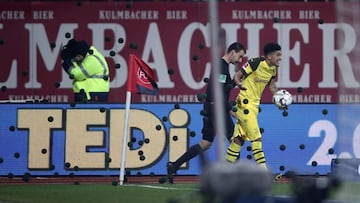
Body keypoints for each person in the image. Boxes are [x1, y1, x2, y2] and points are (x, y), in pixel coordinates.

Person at [166, 42, 247, 183]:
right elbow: (217, 92)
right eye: (240, 56)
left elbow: (223, 87)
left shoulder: (222, 67)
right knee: (236, 139)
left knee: (205, 143)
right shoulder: (220, 67)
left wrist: (237, 82)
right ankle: (237, 178)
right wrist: (228, 108)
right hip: (217, 108)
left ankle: (173, 165)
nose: (240, 61)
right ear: (233, 51)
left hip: (211, 107)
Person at [225, 42, 284, 180]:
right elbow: (237, 76)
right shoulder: (256, 63)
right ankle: (265, 174)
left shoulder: (273, 70)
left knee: (238, 140)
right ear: (269, 56)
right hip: (244, 104)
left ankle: (225, 170)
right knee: (256, 138)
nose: (280, 57)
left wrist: (279, 101)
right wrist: (240, 85)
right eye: (278, 55)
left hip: (254, 106)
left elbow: (272, 87)